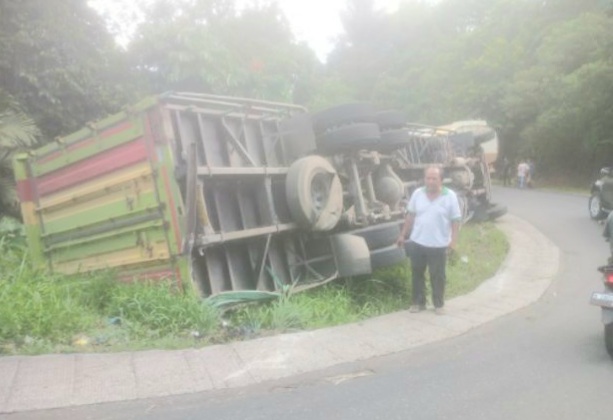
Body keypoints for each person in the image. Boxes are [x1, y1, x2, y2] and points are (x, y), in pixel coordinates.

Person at [396, 166, 462, 315]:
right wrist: (402, 235)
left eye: (434, 178)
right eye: (428, 178)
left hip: (438, 244)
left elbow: (455, 220)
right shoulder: (418, 194)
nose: (430, 181)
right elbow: (410, 215)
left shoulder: (449, 196)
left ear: (441, 180)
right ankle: (418, 303)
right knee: (417, 273)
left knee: (437, 276)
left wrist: (453, 241)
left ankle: (438, 304)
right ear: (424, 179)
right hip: (417, 242)